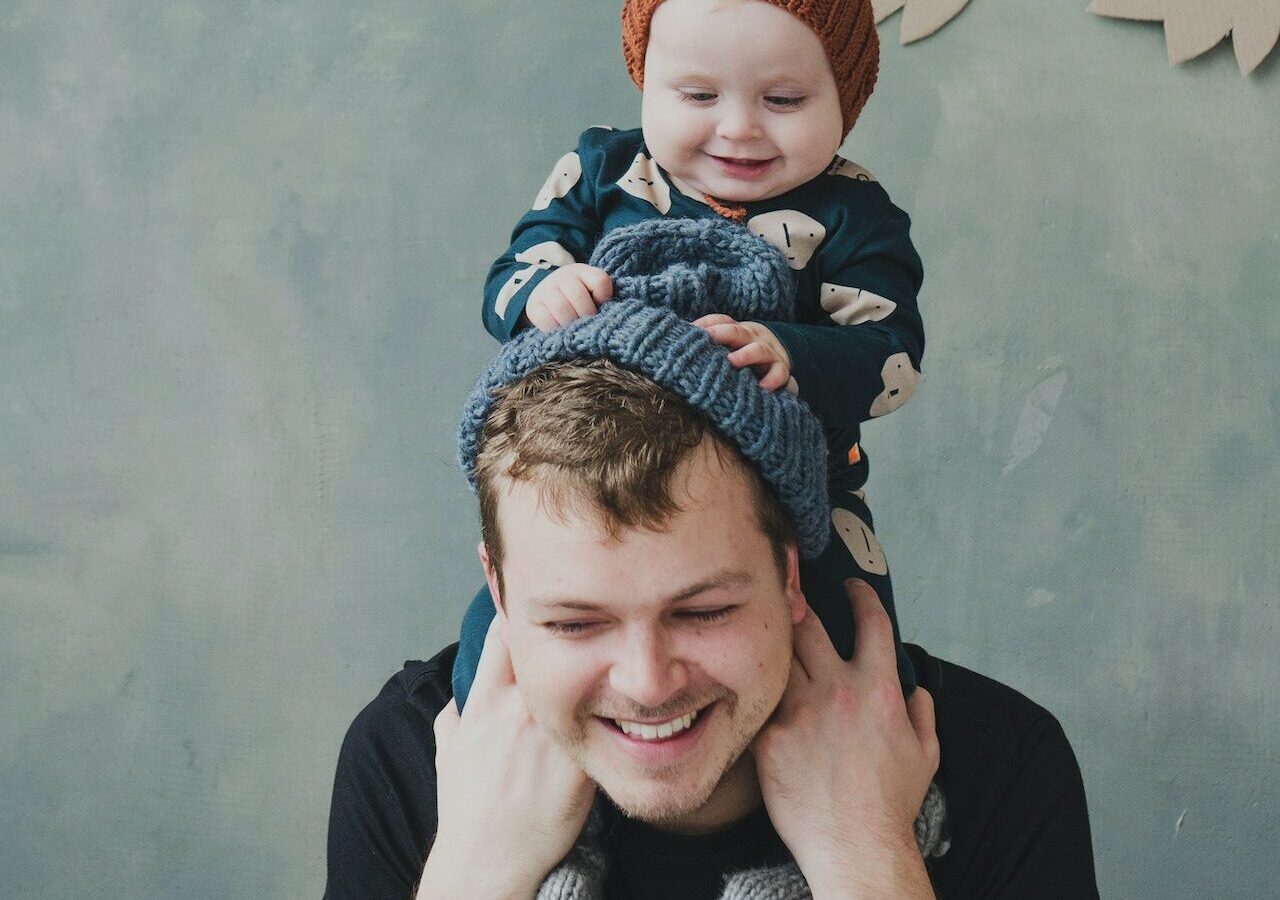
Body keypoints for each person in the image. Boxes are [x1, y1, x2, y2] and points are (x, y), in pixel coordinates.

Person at [324, 347, 1099, 897]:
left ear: (790, 573)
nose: (647, 683)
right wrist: (476, 875)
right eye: (574, 624)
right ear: (497, 591)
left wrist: (867, 857)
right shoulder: (411, 758)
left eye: (703, 611)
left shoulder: (996, 763)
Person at [454, 0, 929, 709]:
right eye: (699, 95)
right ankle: (489, 738)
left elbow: (892, 359)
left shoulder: (853, 215)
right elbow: (512, 272)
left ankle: (866, 750)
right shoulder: (603, 169)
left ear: (847, 97)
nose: (738, 127)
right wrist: (543, 291)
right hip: (591, 472)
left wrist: (790, 351)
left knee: (852, 634)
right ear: (645, 80)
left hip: (796, 487)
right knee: (501, 632)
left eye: (783, 99)